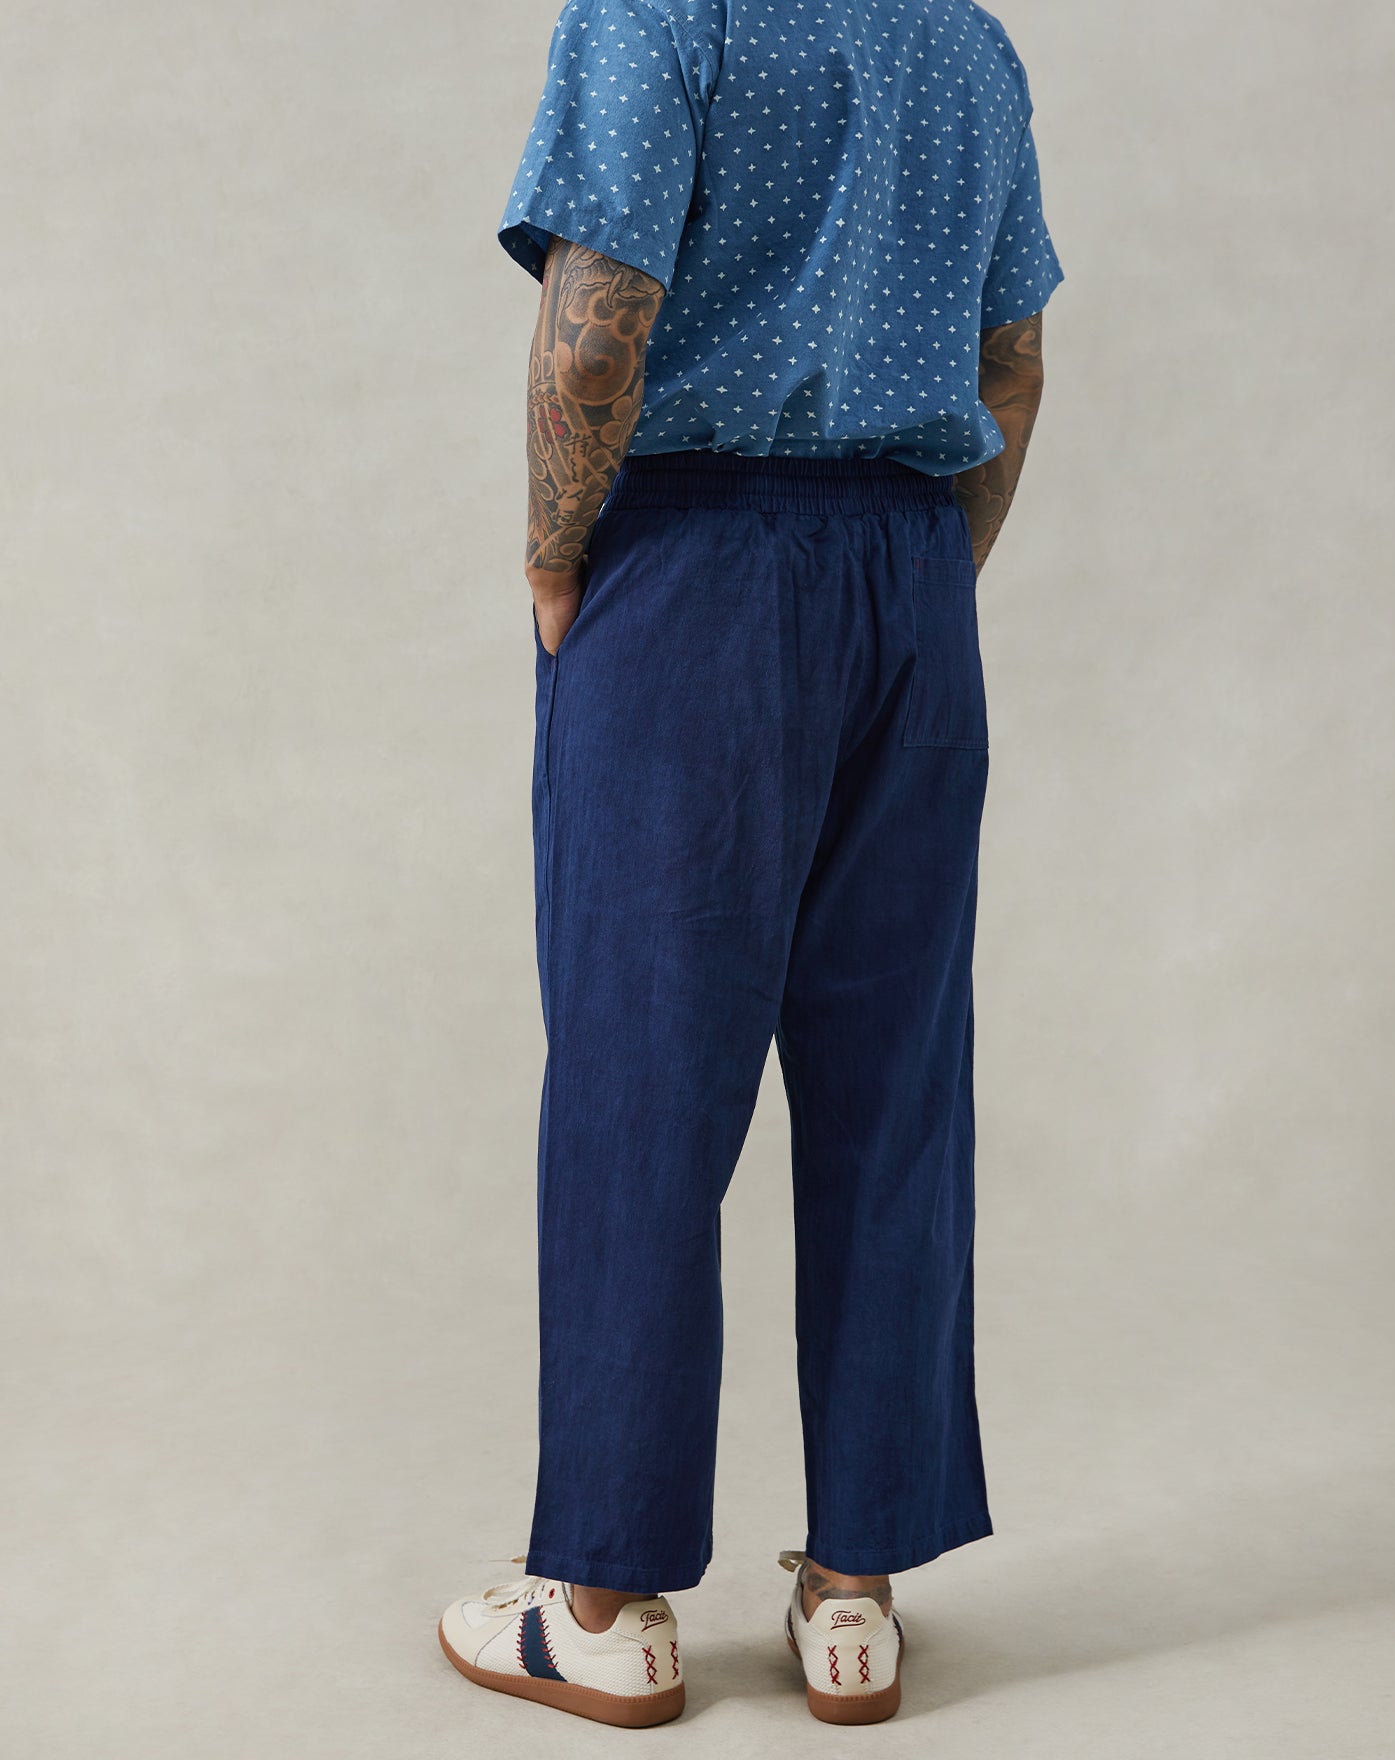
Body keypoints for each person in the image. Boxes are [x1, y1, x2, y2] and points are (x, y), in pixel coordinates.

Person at [437, 0, 1063, 1727]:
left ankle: (605, 1601)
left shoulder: (662, 14)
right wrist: (920, 590)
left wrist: (556, 561)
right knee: (892, 1087)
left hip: (692, 569)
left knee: (644, 1084)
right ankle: (855, 1597)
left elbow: (593, 336)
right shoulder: (967, 43)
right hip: (911, 581)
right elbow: (1013, 360)